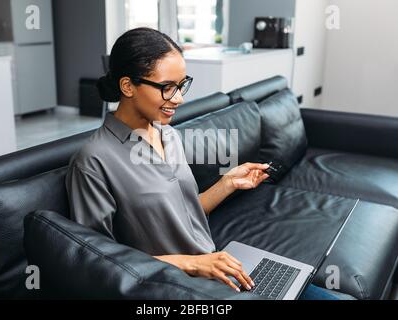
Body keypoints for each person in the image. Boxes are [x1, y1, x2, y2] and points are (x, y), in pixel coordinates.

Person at [65, 27, 348, 300]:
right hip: (169, 286)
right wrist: (192, 264)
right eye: (167, 88)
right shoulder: (93, 161)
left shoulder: (168, 135)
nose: (178, 98)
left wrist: (227, 184)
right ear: (128, 86)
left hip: (213, 271)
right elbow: (100, 264)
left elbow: (183, 213)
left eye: (181, 85)